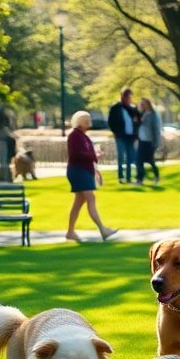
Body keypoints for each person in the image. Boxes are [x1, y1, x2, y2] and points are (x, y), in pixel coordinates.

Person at [64, 111, 118, 242]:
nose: (89, 124)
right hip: (78, 171)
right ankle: (103, 229)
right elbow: (76, 154)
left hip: (85, 170)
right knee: (91, 198)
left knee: (79, 202)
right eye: (86, 121)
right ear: (80, 122)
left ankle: (70, 232)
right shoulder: (74, 136)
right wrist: (94, 156)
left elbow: (87, 154)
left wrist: (95, 158)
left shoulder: (83, 136)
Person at [107, 86, 140, 184]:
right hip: (120, 136)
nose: (128, 99)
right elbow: (111, 122)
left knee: (131, 157)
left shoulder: (133, 109)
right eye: (126, 97)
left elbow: (138, 122)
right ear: (122, 97)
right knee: (121, 156)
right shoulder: (115, 108)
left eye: (129, 97)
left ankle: (129, 177)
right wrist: (115, 131)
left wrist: (136, 133)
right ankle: (121, 177)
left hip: (131, 136)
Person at [135, 97, 162, 185]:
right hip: (141, 141)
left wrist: (155, 143)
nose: (143, 105)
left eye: (144, 103)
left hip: (149, 141)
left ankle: (156, 177)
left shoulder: (153, 115)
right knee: (139, 161)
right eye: (142, 104)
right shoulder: (142, 114)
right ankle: (140, 180)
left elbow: (156, 130)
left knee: (150, 161)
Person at [0, 101, 18, 180]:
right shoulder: (4, 120)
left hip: (6, 142)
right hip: (6, 142)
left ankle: (7, 176)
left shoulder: (4, 119)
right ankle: (7, 177)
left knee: (5, 161)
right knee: (5, 161)